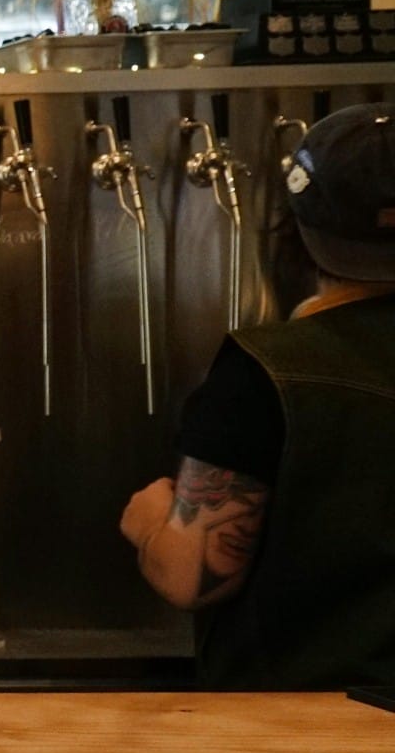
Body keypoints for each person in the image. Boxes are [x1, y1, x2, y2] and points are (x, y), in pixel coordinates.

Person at [122, 104, 395, 686]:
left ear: (296, 229)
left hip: (311, 728)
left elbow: (192, 576)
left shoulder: (266, 372)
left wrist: (149, 522)